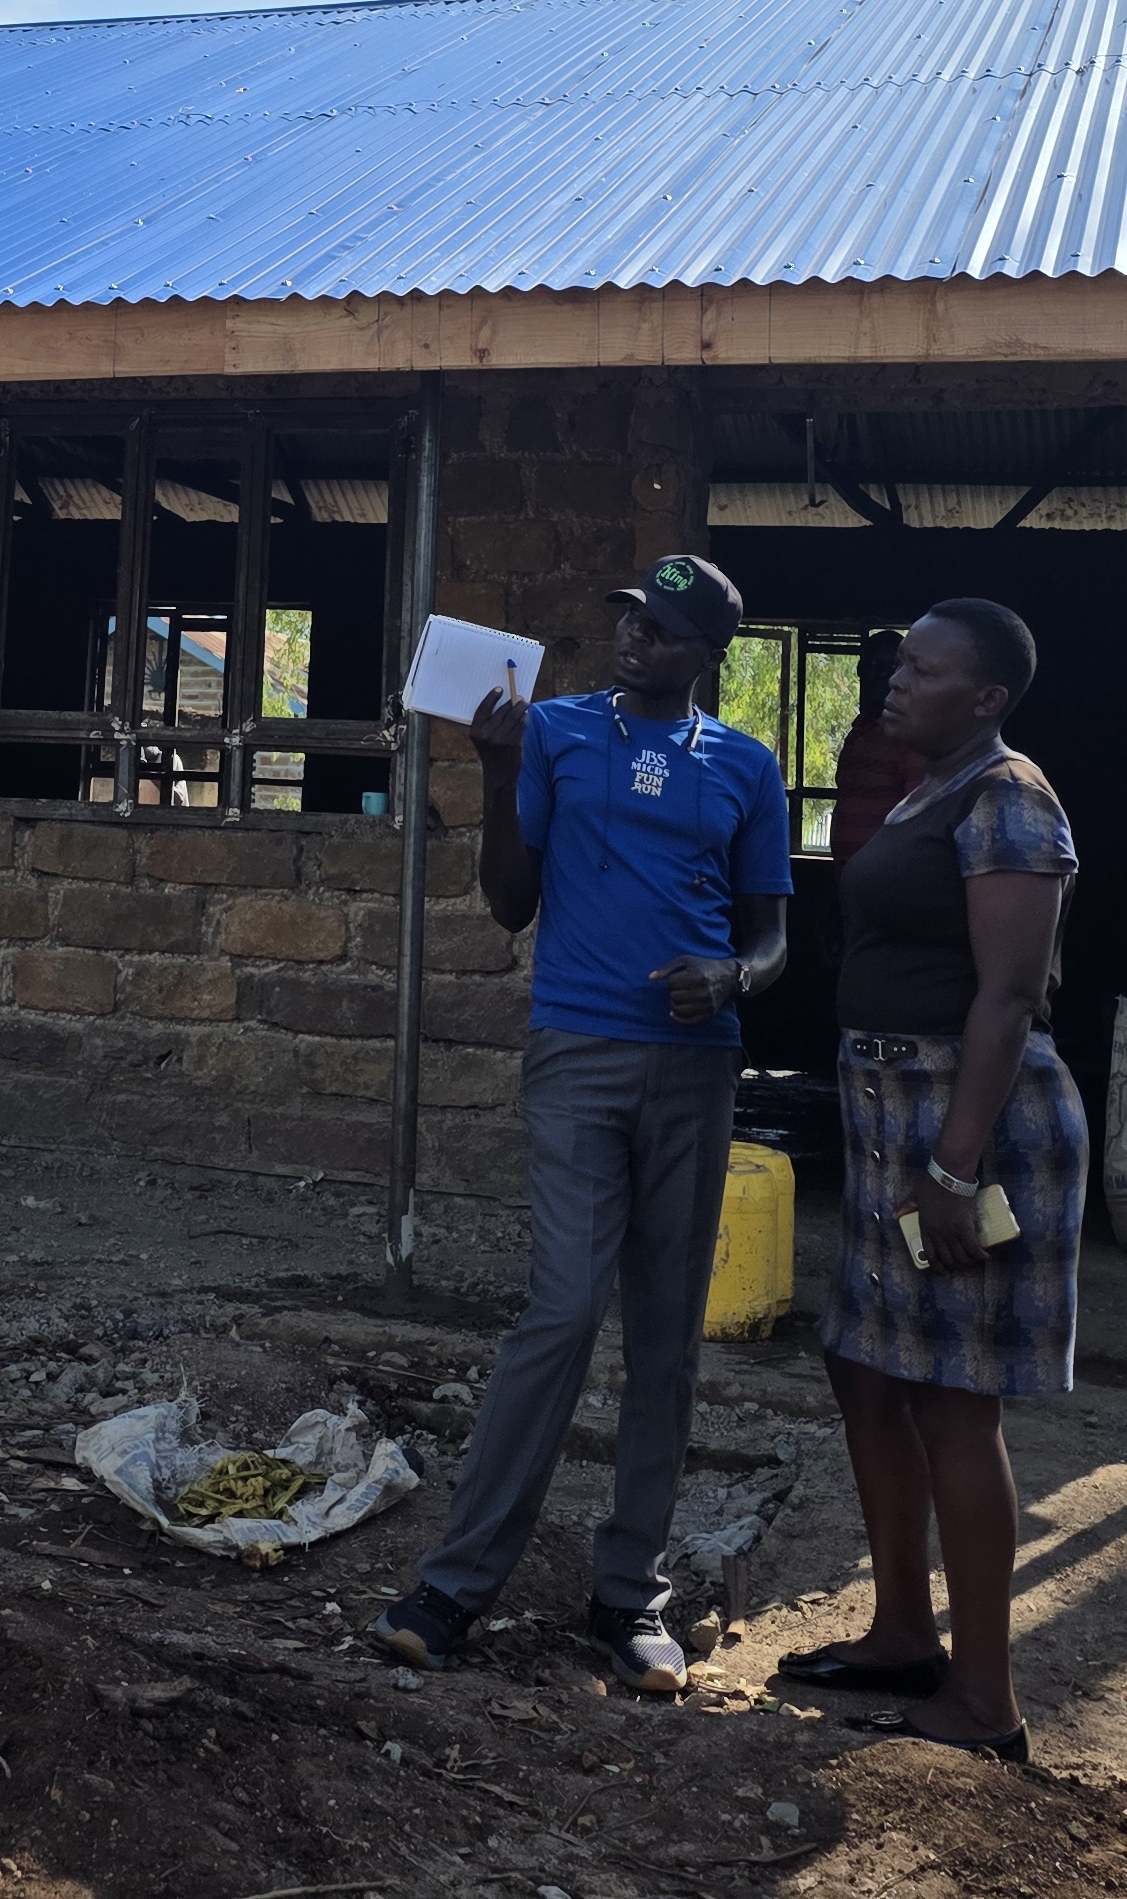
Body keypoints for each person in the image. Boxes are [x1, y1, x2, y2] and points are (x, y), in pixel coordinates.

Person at [372, 554, 793, 1695]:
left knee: (665, 1335)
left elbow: (771, 939)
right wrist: (501, 774)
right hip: (578, 1052)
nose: (632, 639)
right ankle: (456, 1586)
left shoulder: (746, 768)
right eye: (628, 621)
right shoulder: (552, 732)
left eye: (659, 631)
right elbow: (510, 902)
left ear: (708, 656)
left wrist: (733, 978)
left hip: (696, 1067)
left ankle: (630, 1596)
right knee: (560, 1311)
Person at [777, 599, 1082, 1765]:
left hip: (968, 1122)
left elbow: (1007, 997)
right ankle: (902, 1634)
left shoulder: (1008, 795)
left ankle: (987, 1701)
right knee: (864, 1368)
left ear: (987, 696)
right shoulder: (924, 783)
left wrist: (953, 1168)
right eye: (898, 661)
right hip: (885, 1115)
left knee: (955, 1398)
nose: (893, 681)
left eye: (922, 669)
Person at [826, 626, 925, 862]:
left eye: (892, 666)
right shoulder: (859, 732)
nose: (883, 675)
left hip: (886, 885)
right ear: (860, 669)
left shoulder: (910, 737)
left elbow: (916, 822)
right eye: (874, 664)